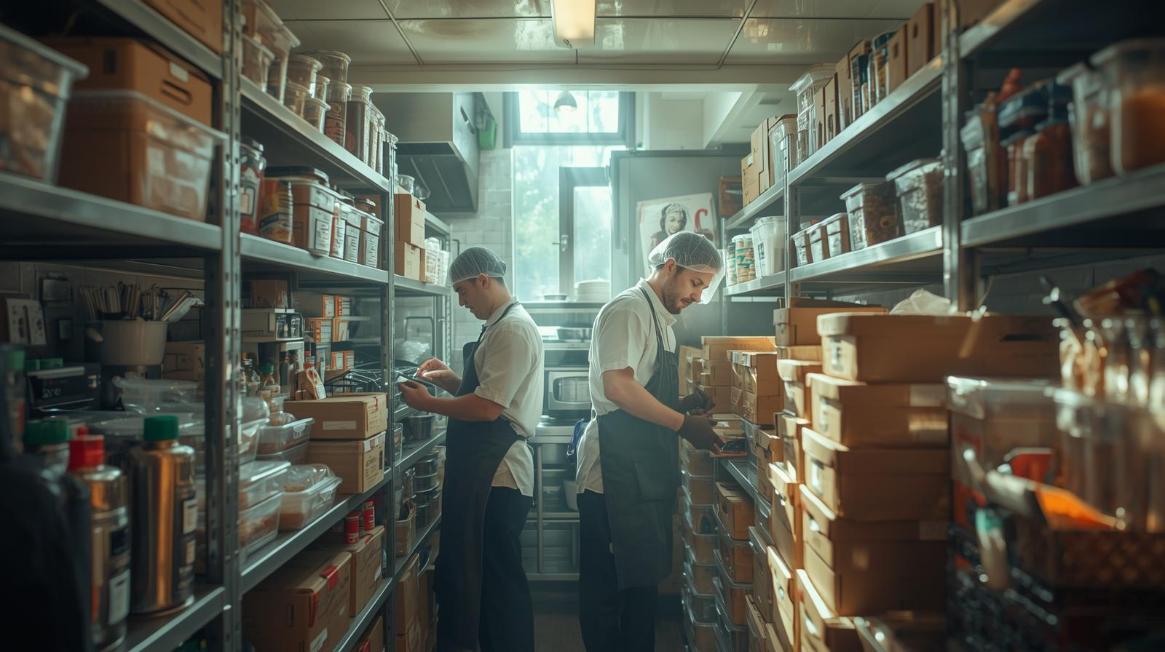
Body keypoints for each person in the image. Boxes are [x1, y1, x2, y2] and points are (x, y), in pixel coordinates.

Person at [574, 231, 725, 651]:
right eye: (695, 283)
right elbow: (619, 388)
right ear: (670, 267)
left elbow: (642, 393)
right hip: (612, 478)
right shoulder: (627, 311)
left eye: (705, 288)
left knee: (640, 587)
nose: (698, 295)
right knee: (608, 592)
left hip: (641, 476)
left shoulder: (662, 321)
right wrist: (682, 423)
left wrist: (684, 403)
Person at [398, 247, 543, 652]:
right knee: (491, 583)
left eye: (463, 291)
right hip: (490, 473)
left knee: (500, 587)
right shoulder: (500, 325)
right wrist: (449, 381)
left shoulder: (512, 329)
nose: (462, 302)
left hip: (500, 475)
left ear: (484, 280)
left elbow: (487, 408)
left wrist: (427, 403)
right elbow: (487, 391)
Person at [649, 203, 718, 250]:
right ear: (664, 221)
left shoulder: (687, 241)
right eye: (672, 220)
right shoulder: (656, 240)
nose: (677, 225)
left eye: (680, 221)